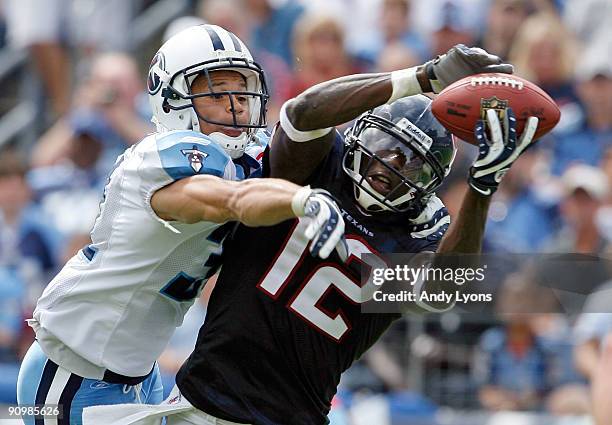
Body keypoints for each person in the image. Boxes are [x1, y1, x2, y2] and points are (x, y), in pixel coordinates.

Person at [83, 45, 540, 425]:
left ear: (431, 183)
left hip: (294, 414)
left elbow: (439, 292)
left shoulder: (420, 230)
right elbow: (303, 114)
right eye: (386, 147)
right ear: (360, 133)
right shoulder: (320, 164)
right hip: (205, 399)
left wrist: (482, 186)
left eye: (411, 162)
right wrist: (422, 76)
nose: (389, 167)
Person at [16, 24, 346, 425]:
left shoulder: (240, 161)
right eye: (216, 91)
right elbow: (233, 200)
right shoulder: (160, 159)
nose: (235, 105)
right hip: (71, 373)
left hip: (140, 372)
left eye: (242, 93)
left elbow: (306, 116)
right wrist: (301, 198)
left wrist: (412, 82)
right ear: (173, 100)